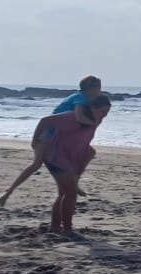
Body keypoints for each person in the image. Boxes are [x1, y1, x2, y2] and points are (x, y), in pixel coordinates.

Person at [0, 75, 101, 206]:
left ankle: (75, 182)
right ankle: (8, 192)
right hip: (48, 133)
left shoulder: (81, 97)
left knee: (89, 152)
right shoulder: (80, 98)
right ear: (90, 88)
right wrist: (93, 123)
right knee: (36, 164)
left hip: (59, 135)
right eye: (98, 88)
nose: (99, 92)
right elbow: (79, 117)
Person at [33, 94, 112, 236]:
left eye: (107, 112)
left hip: (70, 159)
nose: (104, 116)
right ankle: (67, 228)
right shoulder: (73, 118)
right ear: (92, 108)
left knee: (64, 193)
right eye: (102, 111)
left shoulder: (95, 120)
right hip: (55, 158)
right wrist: (35, 141)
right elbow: (45, 121)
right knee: (70, 193)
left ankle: (55, 227)